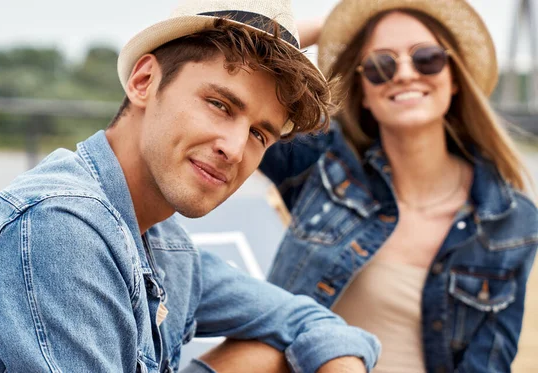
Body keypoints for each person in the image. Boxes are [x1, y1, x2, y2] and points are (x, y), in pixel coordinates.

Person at [0, 1, 382, 372]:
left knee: (267, 353)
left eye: (259, 134)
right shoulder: (60, 225)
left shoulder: (166, 245)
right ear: (144, 81)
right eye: (219, 104)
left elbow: (311, 321)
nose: (233, 147)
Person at [207, 0, 538, 372]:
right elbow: (227, 62)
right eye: (382, 64)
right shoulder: (324, 163)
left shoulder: (509, 219)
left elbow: (487, 364)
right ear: (362, 90)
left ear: (454, 76)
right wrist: (326, 29)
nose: (405, 73)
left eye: (427, 57)